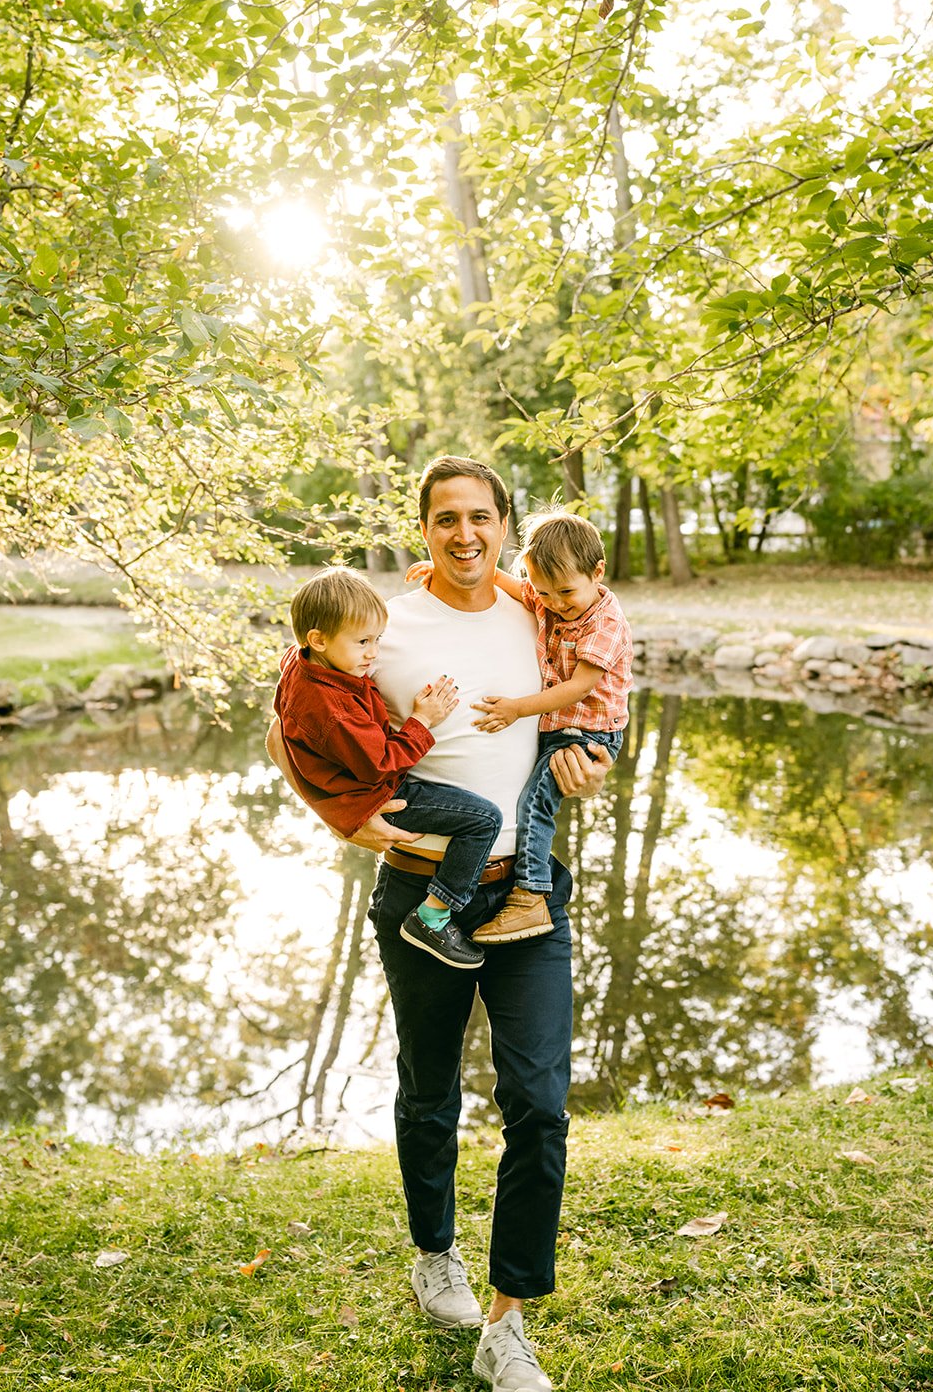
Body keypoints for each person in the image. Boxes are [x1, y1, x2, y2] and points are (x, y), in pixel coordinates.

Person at [266, 455, 612, 1392]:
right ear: (422, 528)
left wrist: (588, 761)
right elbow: (286, 729)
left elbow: (595, 695)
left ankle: (509, 1322)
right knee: (428, 1092)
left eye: (481, 518)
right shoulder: (378, 623)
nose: (465, 534)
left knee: (538, 1105)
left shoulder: (536, 610)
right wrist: (342, 818)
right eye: (446, 518)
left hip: (526, 894)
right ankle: (434, 1254)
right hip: (418, 892)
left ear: (507, 525)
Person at [406, 510, 632, 947]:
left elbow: (578, 687)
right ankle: (528, 891)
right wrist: (446, 569)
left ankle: (531, 894)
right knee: (535, 798)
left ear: (597, 572)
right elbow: (514, 586)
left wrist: (516, 709)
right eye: (545, 593)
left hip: (588, 732)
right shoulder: (549, 596)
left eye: (565, 592)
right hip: (562, 728)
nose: (554, 603)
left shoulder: (604, 623)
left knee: (534, 804)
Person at [273, 566, 503, 970]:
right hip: (380, 794)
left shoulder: (303, 661)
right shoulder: (333, 711)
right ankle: (433, 916)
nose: (373, 653)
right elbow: (379, 764)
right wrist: (422, 720)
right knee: (484, 819)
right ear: (318, 639)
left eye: (378, 640)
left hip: (371, 781)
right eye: (363, 642)